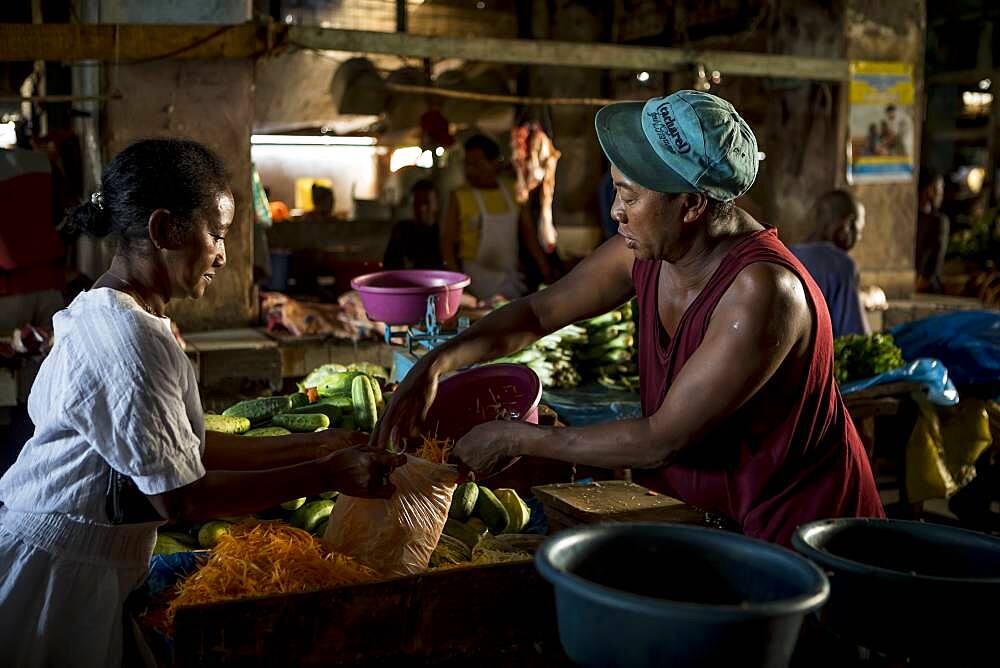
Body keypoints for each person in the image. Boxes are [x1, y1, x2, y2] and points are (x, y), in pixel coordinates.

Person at [376, 91, 884, 547]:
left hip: (799, 534)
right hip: (713, 521)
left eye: (631, 196)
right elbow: (539, 310)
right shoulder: (644, 253)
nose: (617, 212)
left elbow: (662, 438)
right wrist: (437, 364)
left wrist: (514, 437)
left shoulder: (762, 293)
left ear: (690, 206)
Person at [0, 139, 404, 667]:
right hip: (60, 579)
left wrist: (313, 445)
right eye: (216, 234)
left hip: (85, 562)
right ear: (165, 229)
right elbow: (183, 500)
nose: (222, 254)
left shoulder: (108, 310)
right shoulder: (131, 342)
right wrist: (326, 474)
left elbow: (185, 450)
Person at [440, 134, 553, 301]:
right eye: (467, 164)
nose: (470, 169)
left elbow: (528, 234)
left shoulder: (513, 190)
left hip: (510, 278)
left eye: (477, 164)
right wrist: (457, 286)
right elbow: (447, 243)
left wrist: (546, 270)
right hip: (475, 280)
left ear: (494, 163)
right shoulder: (459, 196)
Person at [789, 190, 869, 339]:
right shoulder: (842, 265)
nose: (859, 237)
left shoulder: (787, 253)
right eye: (859, 229)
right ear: (847, 225)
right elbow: (855, 339)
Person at [383, 179, 443, 270]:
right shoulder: (402, 231)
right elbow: (389, 266)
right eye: (417, 203)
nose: (421, 209)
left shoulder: (444, 234)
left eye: (427, 203)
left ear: (436, 204)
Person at [915, 167, 949, 294]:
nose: (941, 193)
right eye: (940, 188)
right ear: (930, 189)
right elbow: (935, 258)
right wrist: (923, 279)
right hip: (926, 286)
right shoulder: (939, 222)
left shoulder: (907, 219)